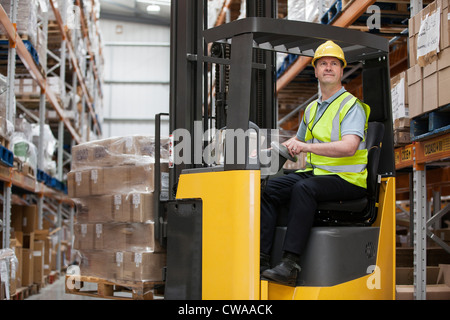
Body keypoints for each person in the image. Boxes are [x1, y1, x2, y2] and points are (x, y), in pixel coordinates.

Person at [260, 40, 371, 286]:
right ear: (316, 70)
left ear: (341, 70)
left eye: (334, 64)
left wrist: (306, 147)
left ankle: (290, 264)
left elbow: (349, 146)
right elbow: (297, 141)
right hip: (319, 174)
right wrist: (269, 150)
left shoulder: (351, 106)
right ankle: (262, 260)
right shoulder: (312, 109)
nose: (328, 67)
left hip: (349, 180)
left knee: (303, 188)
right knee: (269, 187)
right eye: (323, 64)